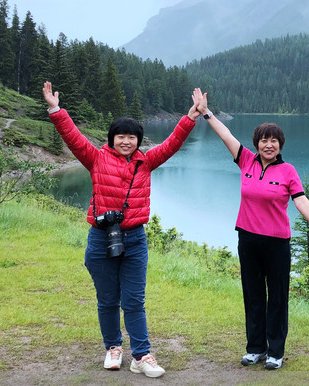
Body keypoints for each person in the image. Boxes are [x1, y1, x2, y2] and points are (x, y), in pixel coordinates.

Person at [43, 81, 203, 378]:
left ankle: (141, 355)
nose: (126, 141)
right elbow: (74, 138)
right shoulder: (96, 159)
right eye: (121, 136)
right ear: (112, 139)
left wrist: (191, 116)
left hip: (135, 239)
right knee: (107, 299)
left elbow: (172, 142)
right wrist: (56, 110)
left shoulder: (147, 161)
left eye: (132, 137)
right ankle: (113, 347)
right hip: (101, 238)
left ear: (139, 141)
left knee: (133, 300)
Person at [192, 88, 309, 370]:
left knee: (277, 298)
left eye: (274, 141)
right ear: (256, 143)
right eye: (264, 140)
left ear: (281, 144)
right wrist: (206, 113)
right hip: (248, 239)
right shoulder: (246, 160)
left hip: (277, 243)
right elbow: (226, 135)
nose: (269, 145)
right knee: (253, 294)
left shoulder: (288, 171)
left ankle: (275, 351)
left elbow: (301, 200)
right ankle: (255, 348)